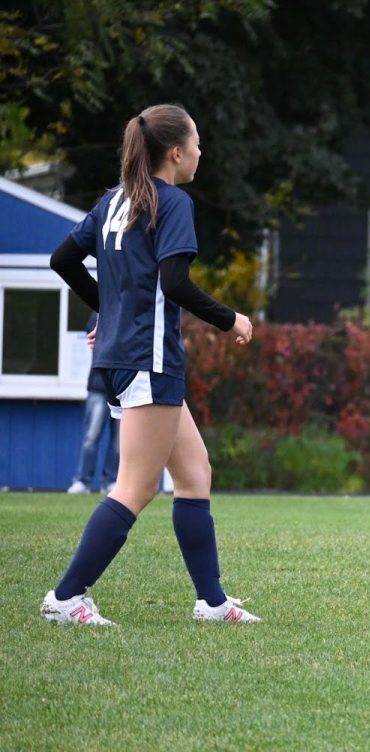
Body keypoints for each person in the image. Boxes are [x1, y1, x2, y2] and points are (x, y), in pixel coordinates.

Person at [42, 103, 260, 625]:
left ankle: (212, 603)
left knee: (194, 473)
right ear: (177, 152)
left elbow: (62, 260)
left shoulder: (115, 200)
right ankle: (65, 597)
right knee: (135, 487)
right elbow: (174, 284)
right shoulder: (172, 202)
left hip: (129, 355)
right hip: (148, 358)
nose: (202, 153)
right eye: (198, 144)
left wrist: (109, 310)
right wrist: (230, 319)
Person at [67, 313, 120, 495]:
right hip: (99, 385)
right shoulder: (101, 309)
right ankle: (83, 481)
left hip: (123, 387)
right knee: (91, 436)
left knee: (119, 441)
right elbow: (93, 331)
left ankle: (111, 481)